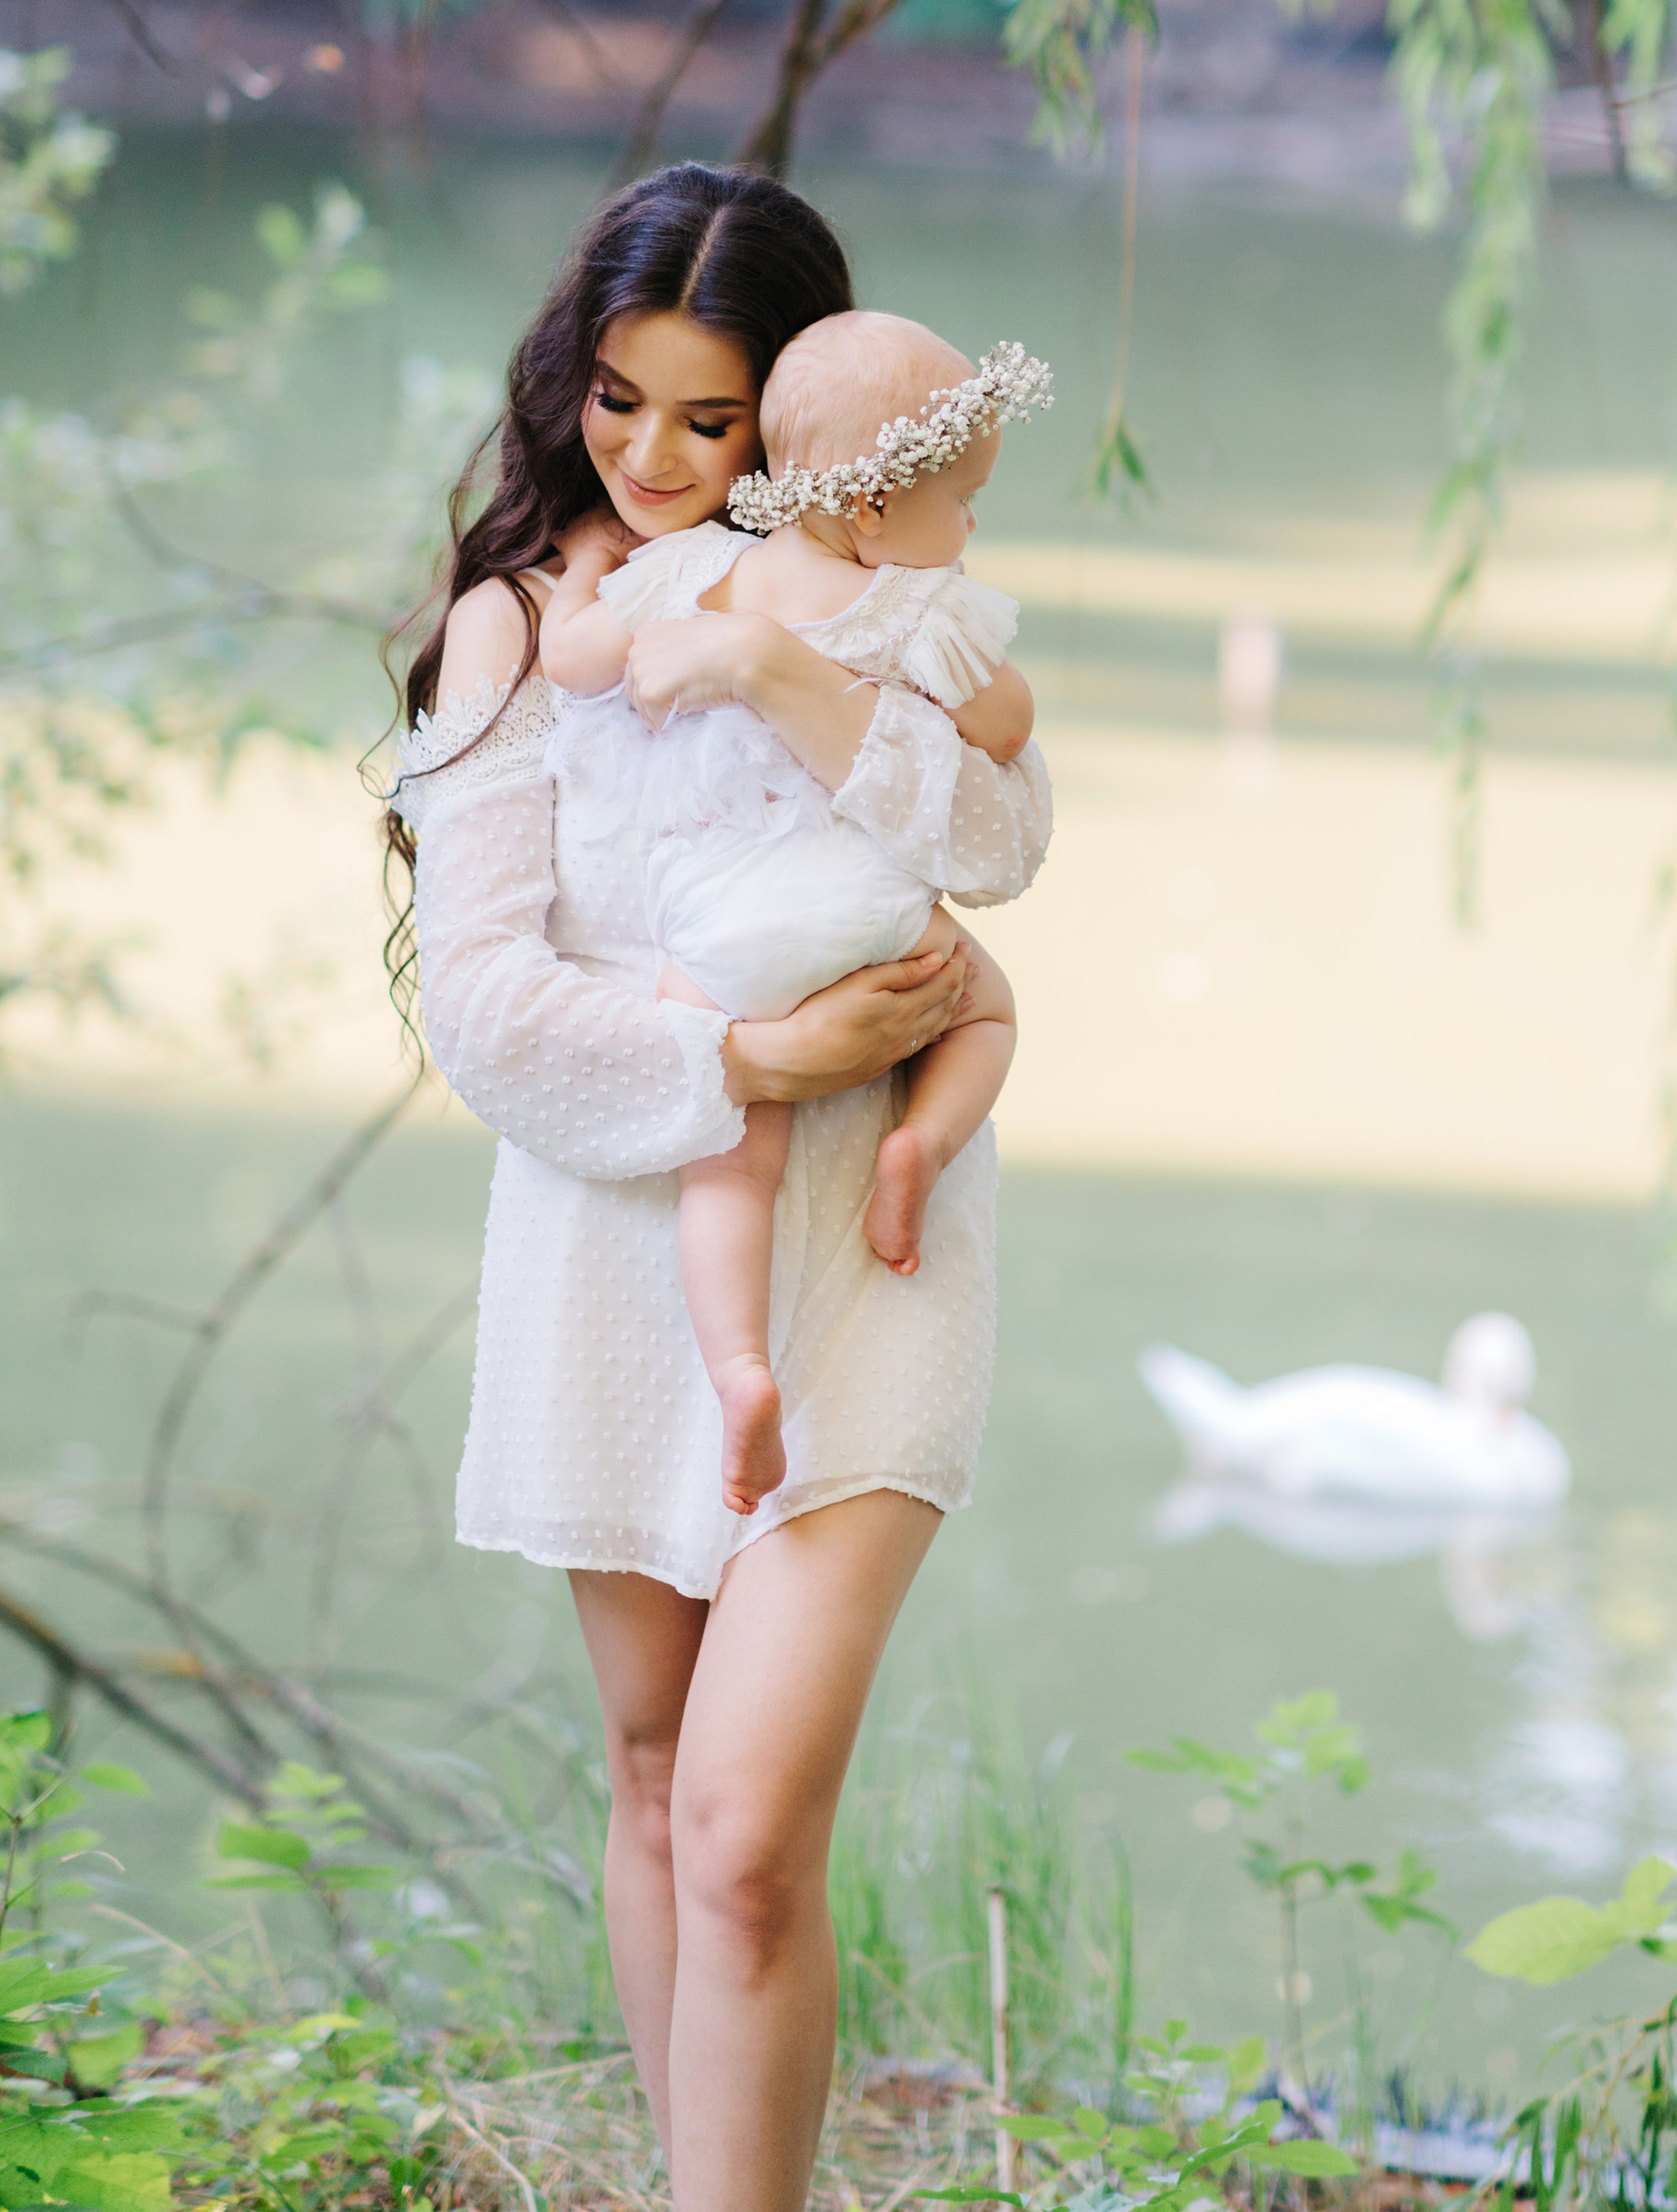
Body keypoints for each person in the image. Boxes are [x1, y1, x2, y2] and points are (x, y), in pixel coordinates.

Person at [384, 166, 1051, 2212]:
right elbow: (489, 1003)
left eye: (710, 417)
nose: (656, 458)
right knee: (663, 1779)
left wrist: (784, 671)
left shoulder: (857, 592)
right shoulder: (529, 627)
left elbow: (1002, 837)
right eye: (618, 400)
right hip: (623, 1233)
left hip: (873, 1246)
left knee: (753, 1823)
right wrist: (744, 1060)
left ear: (810, 425)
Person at [534, 312, 1053, 1515]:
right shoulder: (917, 612)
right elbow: (1009, 726)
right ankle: (916, 1145)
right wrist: (956, 681)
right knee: (984, 1012)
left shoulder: (687, 572)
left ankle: (740, 1371)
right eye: (962, 499)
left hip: (716, 927)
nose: (969, 526)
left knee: (728, 1150)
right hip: (863, 913)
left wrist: (578, 573)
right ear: (871, 510)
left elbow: (573, 664)